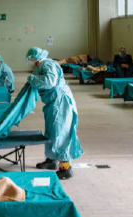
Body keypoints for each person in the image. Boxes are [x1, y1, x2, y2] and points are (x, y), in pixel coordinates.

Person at [25, 47, 84, 179]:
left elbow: (49, 81)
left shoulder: (48, 64)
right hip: (53, 102)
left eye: (30, 59)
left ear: (35, 58)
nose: (29, 61)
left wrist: (32, 79)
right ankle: (51, 160)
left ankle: (66, 168)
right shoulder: (44, 65)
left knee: (60, 133)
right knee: (52, 131)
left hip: (61, 102)